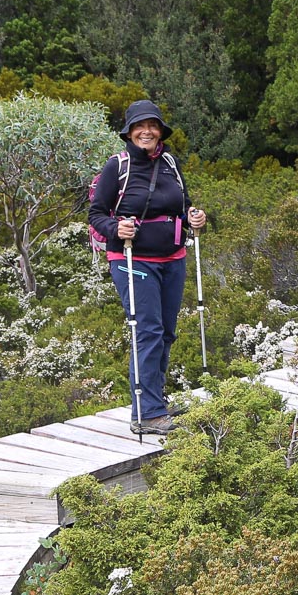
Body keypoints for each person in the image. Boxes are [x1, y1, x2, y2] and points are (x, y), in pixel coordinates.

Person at [88, 99, 205, 434]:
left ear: (160, 131)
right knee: (148, 331)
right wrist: (115, 228)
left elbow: (183, 205)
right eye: (140, 126)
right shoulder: (118, 167)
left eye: (152, 126)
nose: (147, 132)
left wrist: (194, 217)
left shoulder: (170, 162)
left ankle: (157, 402)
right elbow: (97, 213)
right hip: (132, 259)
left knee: (166, 332)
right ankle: (146, 413)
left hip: (173, 258)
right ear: (130, 132)